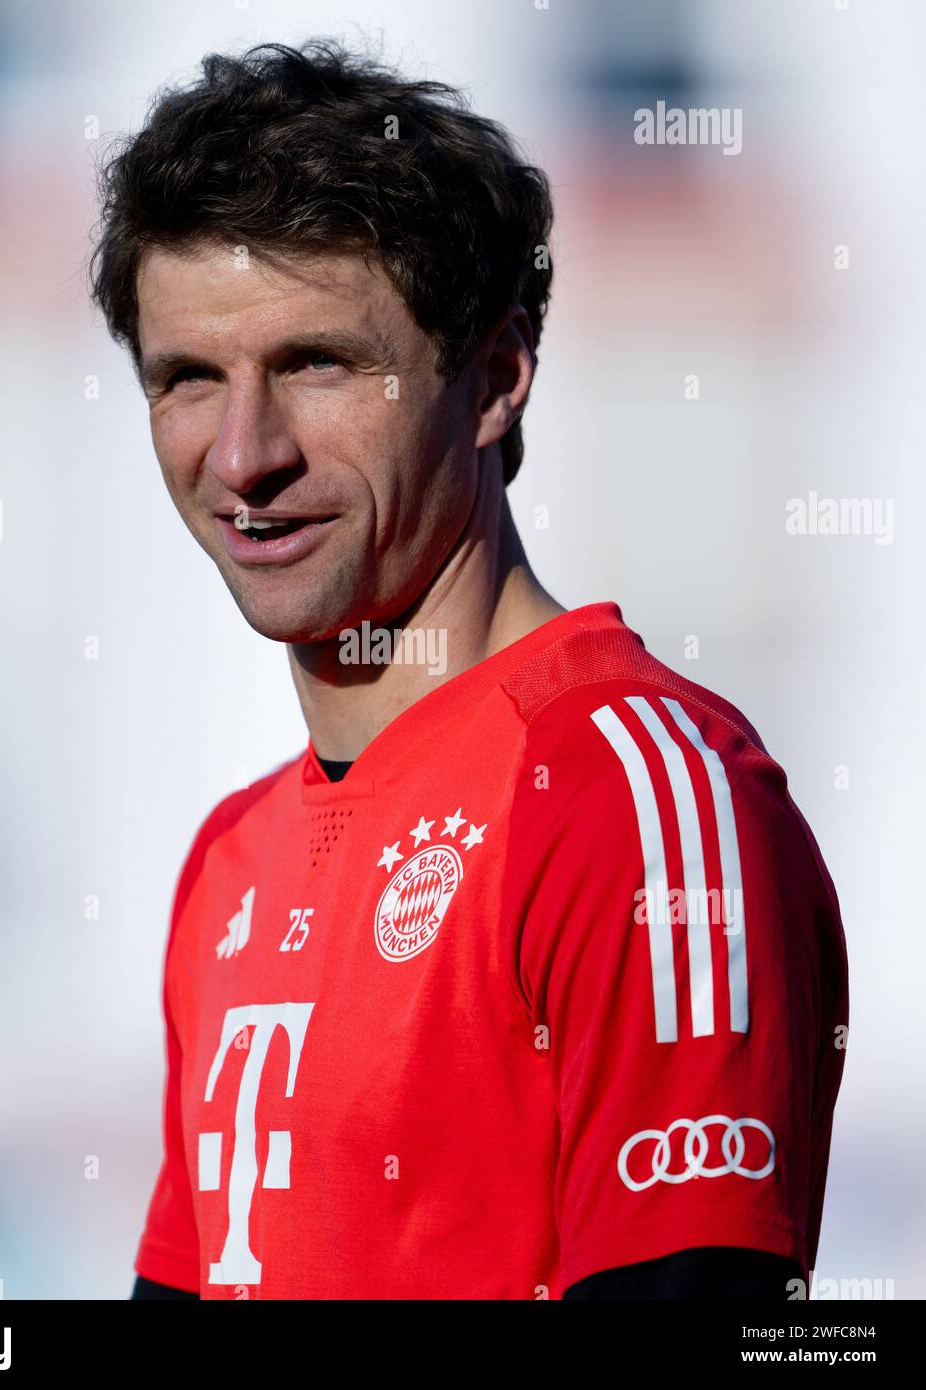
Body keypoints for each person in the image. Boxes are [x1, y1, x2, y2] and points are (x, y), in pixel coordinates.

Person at [88, 39, 848, 1300]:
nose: (242, 455)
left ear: (493, 379)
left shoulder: (635, 804)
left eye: (316, 364)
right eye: (188, 379)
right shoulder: (231, 857)